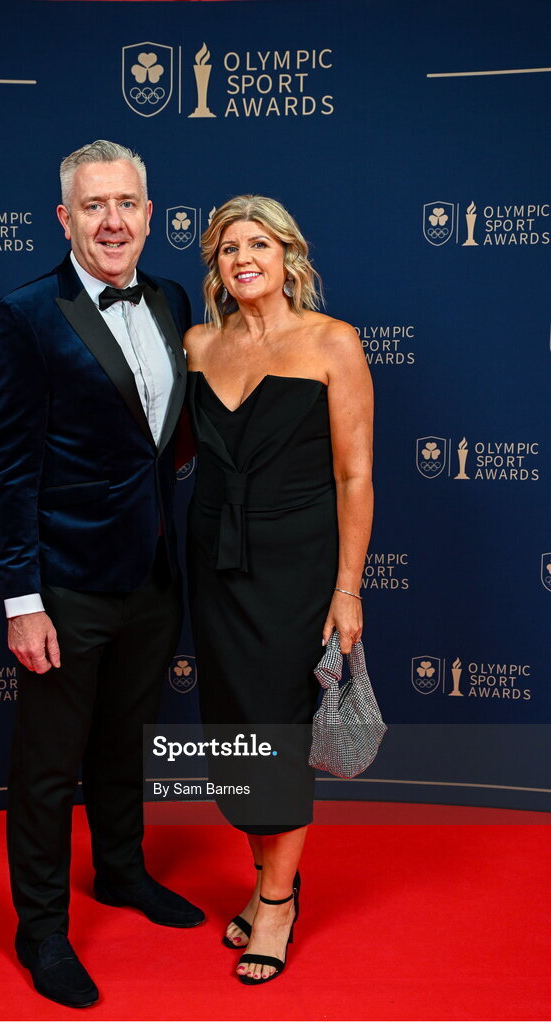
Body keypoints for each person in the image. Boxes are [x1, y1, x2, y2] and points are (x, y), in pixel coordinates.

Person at [0, 140, 203, 1010]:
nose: (113, 221)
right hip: (65, 583)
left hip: (151, 575)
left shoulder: (175, 298)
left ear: (151, 214)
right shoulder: (24, 314)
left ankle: (119, 873)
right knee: (46, 766)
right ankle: (38, 929)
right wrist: (22, 597)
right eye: (94, 205)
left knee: (125, 742)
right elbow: (8, 467)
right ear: (65, 218)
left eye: (128, 203)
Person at [184, 195, 373, 985]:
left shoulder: (332, 343)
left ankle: (276, 898)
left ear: (287, 253)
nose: (242, 258)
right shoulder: (198, 343)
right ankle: (268, 877)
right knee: (232, 719)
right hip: (212, 561)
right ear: (216, 268)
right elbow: (171, 451)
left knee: (280, 722)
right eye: (227, 248)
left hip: (296, 566)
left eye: (256, 242)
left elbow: (353, 473)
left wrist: (347, 587)